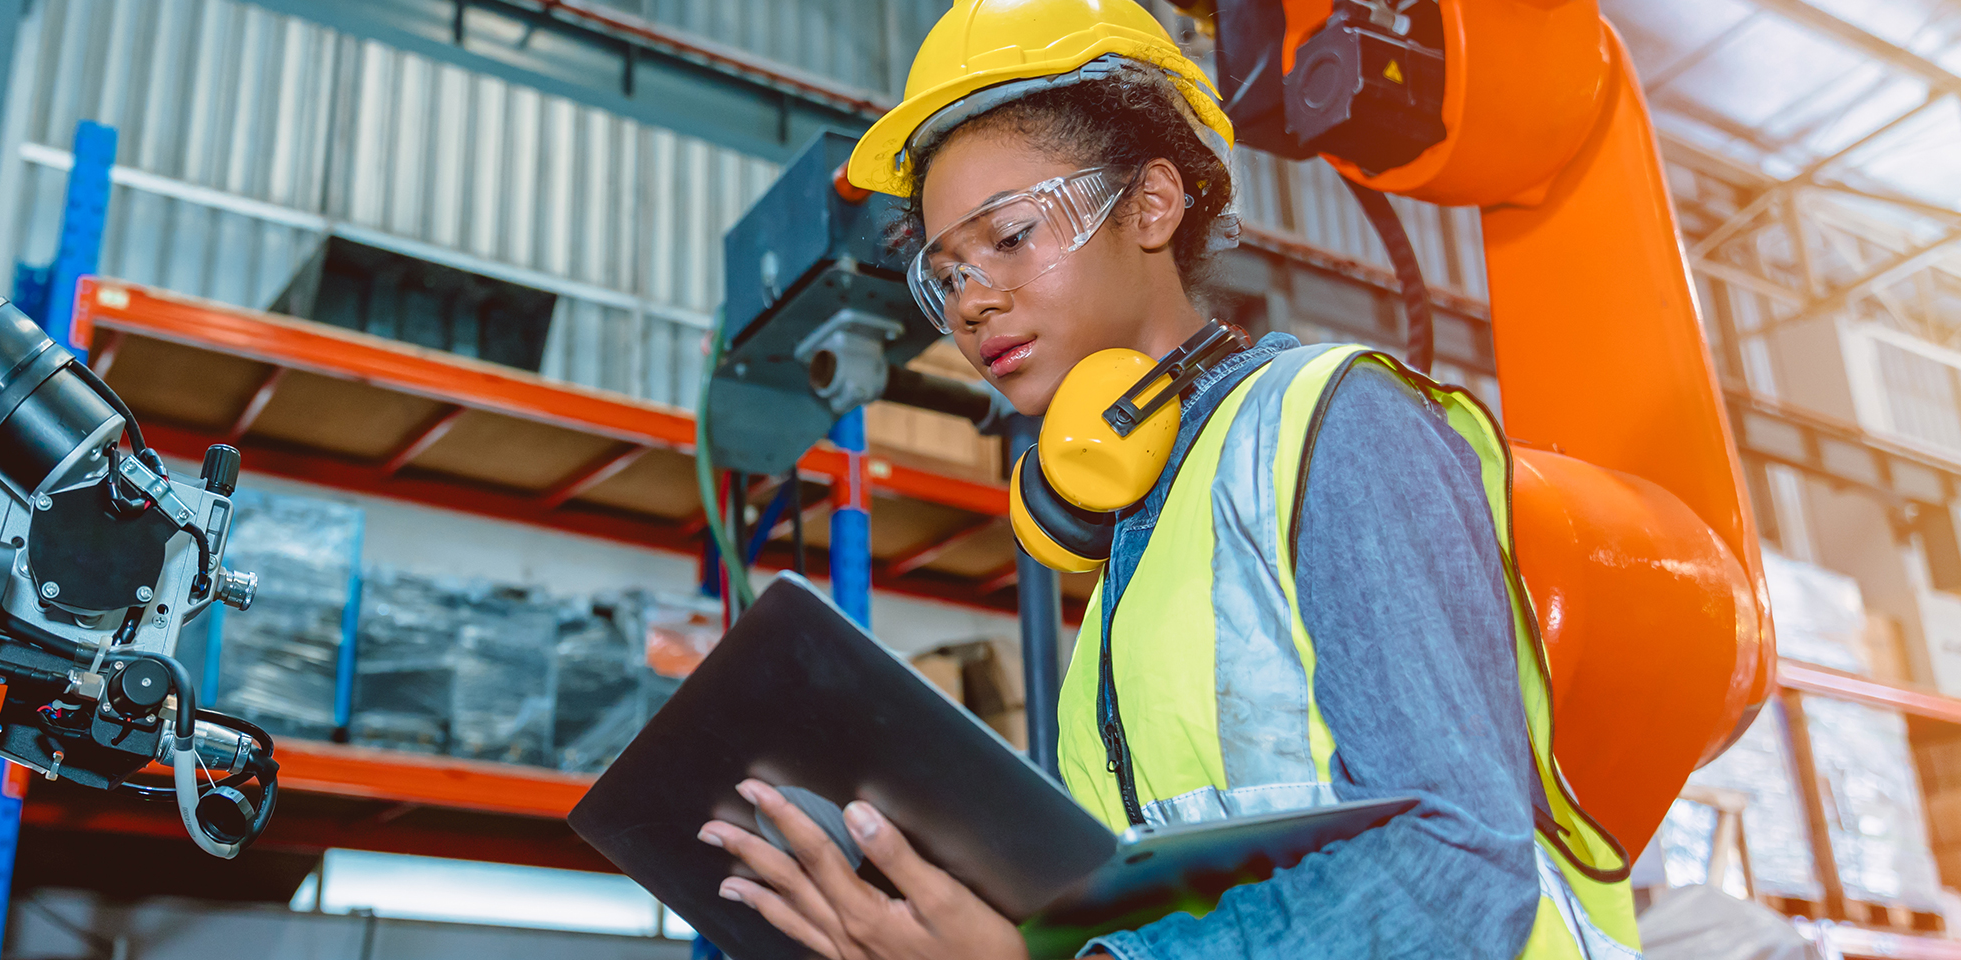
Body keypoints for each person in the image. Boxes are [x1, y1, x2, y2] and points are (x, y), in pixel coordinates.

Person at [692, 2, 1641, 958]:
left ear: (1151, 204)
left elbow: (1458, 869)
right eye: (948, 276)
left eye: (1010, 237)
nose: (975, 302)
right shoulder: (1127, 554)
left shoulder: (1335, 426)